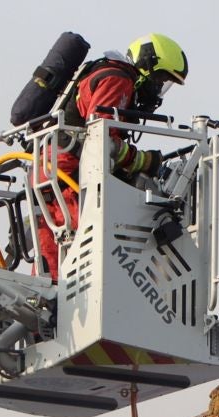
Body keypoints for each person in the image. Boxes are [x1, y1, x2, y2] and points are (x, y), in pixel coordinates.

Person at [35, 34, 189, 276]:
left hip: (52, 167)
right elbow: (101, 139)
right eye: (160, 78)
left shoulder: (105, 72)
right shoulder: (119, 80)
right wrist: (147, 162)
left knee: (52, 257)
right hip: (68, 171)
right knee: (83, 243)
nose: (159, 88)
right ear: (146, 64)